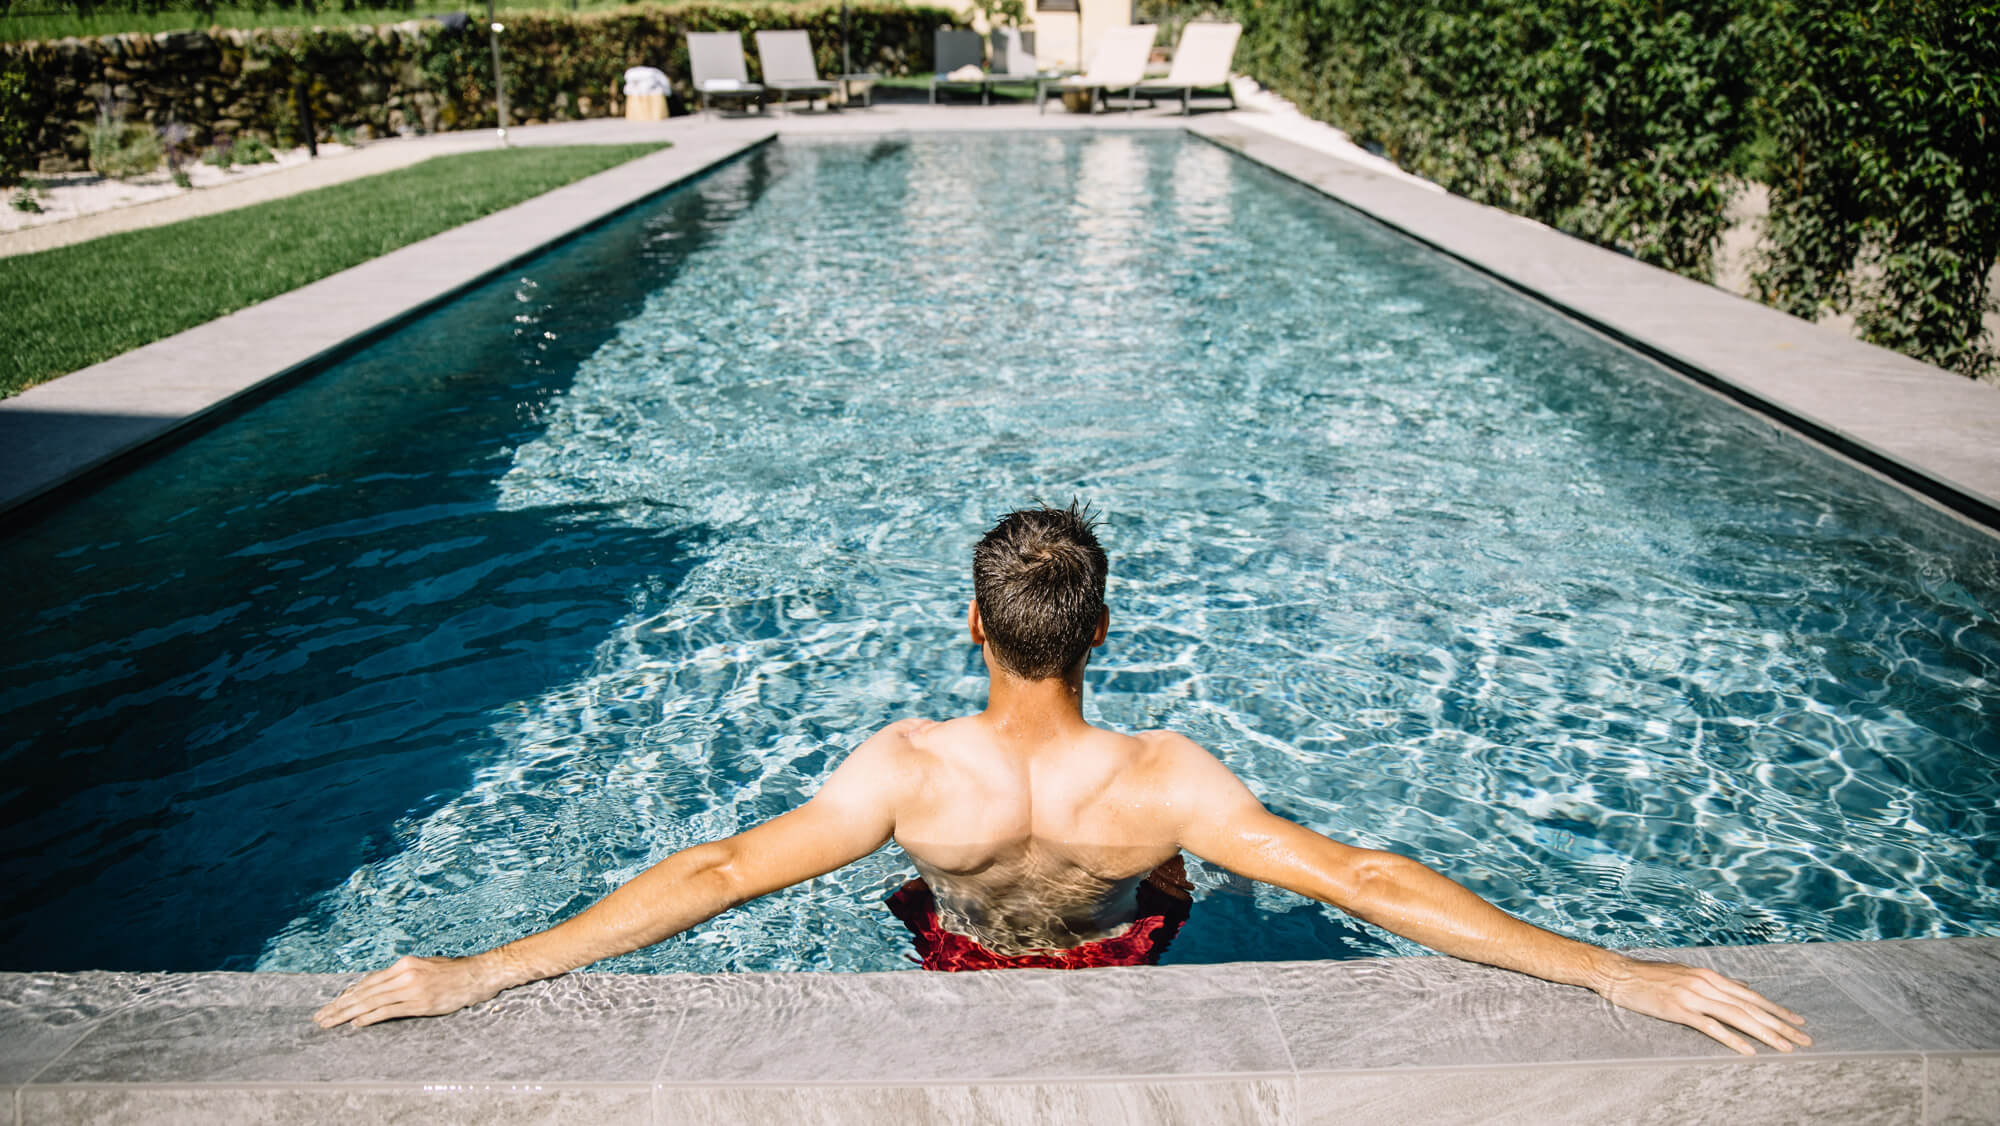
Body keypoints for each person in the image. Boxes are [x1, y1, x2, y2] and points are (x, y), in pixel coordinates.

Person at [315, 502, 1811, 1055]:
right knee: (1208, 870)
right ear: (1100, 627)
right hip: (1120, 926)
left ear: (973, 625)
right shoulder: (1162, 777)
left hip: (960, 936)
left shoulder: (908, 770)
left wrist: (483, 970)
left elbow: (711, 873)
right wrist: (1613, 968)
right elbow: (1364, 878)